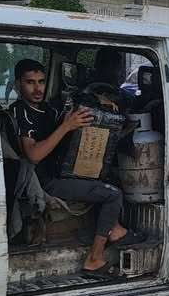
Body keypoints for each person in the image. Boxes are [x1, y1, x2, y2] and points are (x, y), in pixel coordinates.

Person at [10, 58, 145, 280]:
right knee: (112, 194)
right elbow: (34, 155)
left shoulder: (45, 108)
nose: (37, 88)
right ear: (18, 85)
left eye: (41, 82)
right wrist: (66, 126)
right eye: (30, 82)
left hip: (58, 171)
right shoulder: (21, 112)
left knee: (108, 176)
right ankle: (95, 258)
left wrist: (99, 104)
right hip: (42, 181)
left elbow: (72, 111)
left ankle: (114, 229)